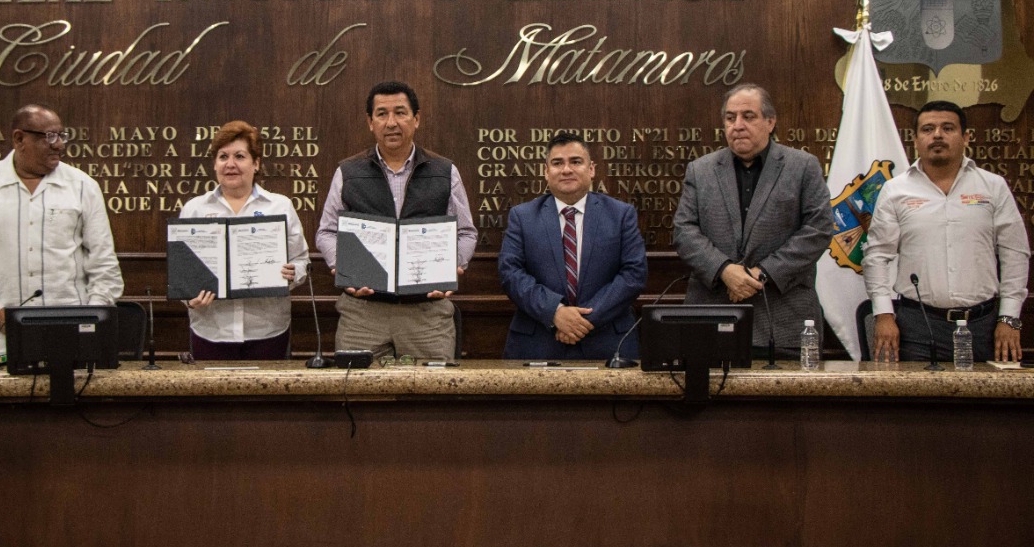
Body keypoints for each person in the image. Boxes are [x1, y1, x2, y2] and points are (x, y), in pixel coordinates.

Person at [315, 81, 477, 360]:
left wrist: (453, 267)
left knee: (433, 387)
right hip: (362, 314)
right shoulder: (348, 172)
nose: (391, 122)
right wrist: (341, 265)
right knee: (354, 385)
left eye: (400, 112)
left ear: (416, 119)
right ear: (370, 122)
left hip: (427, 314)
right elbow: (327, 232)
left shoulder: (445, 171)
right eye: (382, 114)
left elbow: (466, 232)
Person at [0, 103, 123, 356]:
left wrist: (90, 319)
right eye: (49, 136)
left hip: (73, 341)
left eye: (62, 135)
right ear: (19, 139)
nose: (59, 145)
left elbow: (104, 265)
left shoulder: (83, 187)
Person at [673, 83, 831, 356]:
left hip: (783, 320)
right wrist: (724, 270)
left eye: (748, 116)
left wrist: (761, 273)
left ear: (770, 122)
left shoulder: (802, 166)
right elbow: (684, 231)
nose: (738, 125)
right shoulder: (700, 170)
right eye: (730, 118)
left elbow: (818, 229)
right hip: (712, 316)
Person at [864, 100, 1028, 363]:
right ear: (916, 140)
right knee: (913, 392)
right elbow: (876, 256)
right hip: (917, 326)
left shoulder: (993, 186)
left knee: (986, 392)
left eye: (948, 128)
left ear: (966, 137)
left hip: (983, 326)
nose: (937, 135)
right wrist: (883, 315)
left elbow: (1015, 254)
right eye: (928, 129)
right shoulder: (895, 190)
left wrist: (1009, 318)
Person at [499, 131, 647, 360]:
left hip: (608, 343)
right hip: (538, 344)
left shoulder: (621, 215)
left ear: (591, 169)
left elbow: (634, 274)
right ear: (546, 171)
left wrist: (581, 321)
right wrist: (555, 312)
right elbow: (510, 273)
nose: (566, 169)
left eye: (576, 162)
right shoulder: (522, 216)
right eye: (557, 163)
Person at [179, 121, 310, 360]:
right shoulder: (194, 210)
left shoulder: (280, 207)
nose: (230, 164)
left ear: (256, 163)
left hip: (267, 330)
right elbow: (182, 272)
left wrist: (292, 273)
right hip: (211, 330)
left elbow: (301, 260)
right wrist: (189, 298)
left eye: (239, 156)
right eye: (223, 157)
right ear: (215, 164)